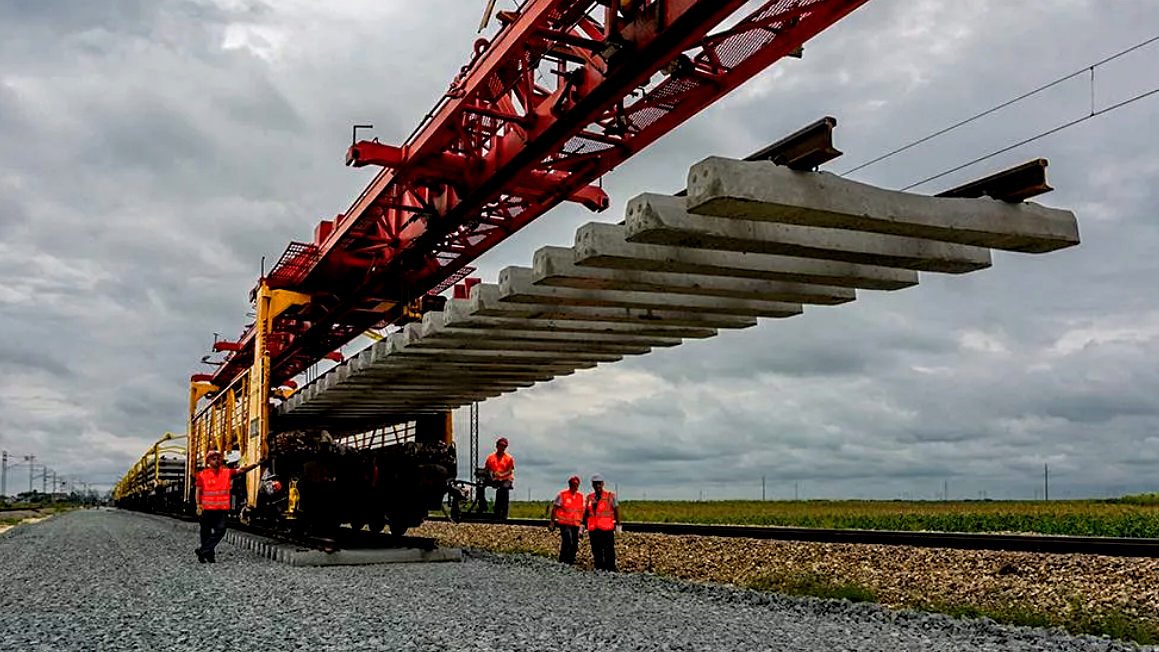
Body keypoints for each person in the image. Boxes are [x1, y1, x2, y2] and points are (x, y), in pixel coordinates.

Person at [194, 449, 258, 564]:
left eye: (218, 458)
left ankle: (203, 550)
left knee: (221, 529)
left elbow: (241, 470)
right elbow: (198, 491)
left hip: (221, 510)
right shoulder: (202, 475)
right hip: (206, 510)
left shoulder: (226, 473)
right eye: (214, 459)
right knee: (205, 533)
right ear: (208, 461)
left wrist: (256, 464)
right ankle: (209, 556)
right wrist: (198, 505)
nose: (217, 461)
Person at [583, 474, 620, 571]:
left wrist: (618, 524)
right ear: (592, 485)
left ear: (603, 484)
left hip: (606, 528)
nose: (597, 486)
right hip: (593, 528)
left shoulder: (610, 496)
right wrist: (582, 525)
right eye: (595, 484)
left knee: (609, 549)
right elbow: (586, 512)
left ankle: (610, 568)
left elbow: (616, 510)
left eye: (599, 483)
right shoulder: (589, 497)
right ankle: (599, 568)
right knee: (596, 549)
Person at [549, 475, 584, 565]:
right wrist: (552, 522)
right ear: (569, 484)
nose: (574, 486)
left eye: (576, 485)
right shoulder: (562, 495)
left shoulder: (580, 497)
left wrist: (582, 526)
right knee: (568, 541)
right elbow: (555, 508)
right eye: (572, 484)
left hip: (575, 524)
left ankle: (570, 562)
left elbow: (582, 511)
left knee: (575, 545)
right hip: (565, 523)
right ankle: (563, 561)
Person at [483, 437, 515, 520]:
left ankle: (504, 513)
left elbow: (510, 471)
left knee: (504, 489)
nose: (502, 447)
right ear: (497, 446)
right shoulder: (491, 458)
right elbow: (486, 470)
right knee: (481, 486)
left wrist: (501, 475)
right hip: (495, 479)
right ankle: (487, 507)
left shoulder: (509, 458)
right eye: (501, 445)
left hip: (506, 478)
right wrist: (491, 476)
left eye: (504, 446)